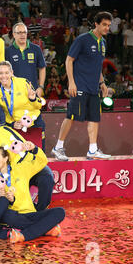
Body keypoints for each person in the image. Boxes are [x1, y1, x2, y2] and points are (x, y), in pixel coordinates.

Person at [51, 11, 112, 161]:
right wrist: (71, 82)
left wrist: (102, 83)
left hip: (93, 87)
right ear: (96, 24)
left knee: (94, 118)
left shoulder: (103, 43)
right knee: (71, 116)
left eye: (109, 25)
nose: (107, 28)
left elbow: (97, 66)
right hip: (79, 86)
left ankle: (92, 150)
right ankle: (58, 147)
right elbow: (69, 60)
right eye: (104, 24)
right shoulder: (82, 39)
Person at [0, 117, 55, 212]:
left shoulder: (3, 130)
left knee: (47, 178)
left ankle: (40, 212)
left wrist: (29, 149)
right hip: (10, 177)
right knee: (12, 198)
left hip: (29, 165)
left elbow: (24, 144)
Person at [0, 146, 65, 242]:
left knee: (60, 212)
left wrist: (34, 149)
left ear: (6, 158)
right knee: (6, 216)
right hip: (14, 216)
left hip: (31, 213)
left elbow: (42, 161)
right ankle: (45, 229)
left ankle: (24, 235)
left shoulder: (20, 168)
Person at [0, 61, 46, 149]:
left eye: (7, 73)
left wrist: (32, 99)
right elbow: (3, 113)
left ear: (12, 73)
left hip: (35, 123)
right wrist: (12, 124)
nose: (4, 76)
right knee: (22, 157)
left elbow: (39, 105)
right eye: (1, 73)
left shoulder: (23, 82)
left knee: (38, 154)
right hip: (16, 128)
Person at [5, 22, 46, 97]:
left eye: (24, 32)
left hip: (33, 91)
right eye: (19, 32)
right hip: (15, 91)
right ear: (14, 34)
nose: (22, 35)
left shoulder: (36, 49)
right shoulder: (8, 51)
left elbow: (42, 68)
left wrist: (41, 87)